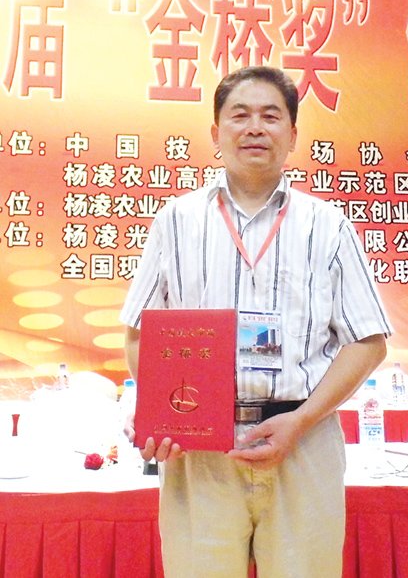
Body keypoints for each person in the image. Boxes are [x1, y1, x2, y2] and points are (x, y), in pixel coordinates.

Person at [121, 66, 392, 578]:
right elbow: (140, 333)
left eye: (271, 116)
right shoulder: (176, 221)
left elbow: (368, 342)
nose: (254, 128)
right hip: (201, 450)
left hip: (303, 444)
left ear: (292, 134)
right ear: (215, 132)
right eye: (239, 115)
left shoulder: (328, 225)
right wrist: (164, 412)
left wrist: (300, 422)